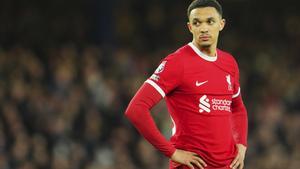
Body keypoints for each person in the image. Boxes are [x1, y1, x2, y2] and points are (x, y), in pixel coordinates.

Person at [125, 0, 248, 169]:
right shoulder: (177, 62)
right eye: (197, 23)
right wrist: (172, 152)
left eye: (210, 21)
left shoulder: (229, 63)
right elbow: (136, 109)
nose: (203, 28)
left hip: (227, 165)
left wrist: (241, 145)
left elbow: (238, 107)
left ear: (221, 24)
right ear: (190, 27)